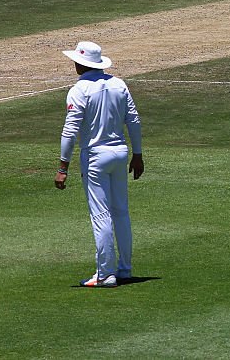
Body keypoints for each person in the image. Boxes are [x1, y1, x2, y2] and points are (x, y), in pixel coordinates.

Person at [54, 41, 144, 288]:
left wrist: (63, 167)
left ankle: (105, 274)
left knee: (101, 214)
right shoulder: (119, 84)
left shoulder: (79, 89)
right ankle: (124, 269)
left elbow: (70, 131)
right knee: (121, 213)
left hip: (95, 155)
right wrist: (137, 154)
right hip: (120, 153)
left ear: (81, 64)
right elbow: (133, 120)